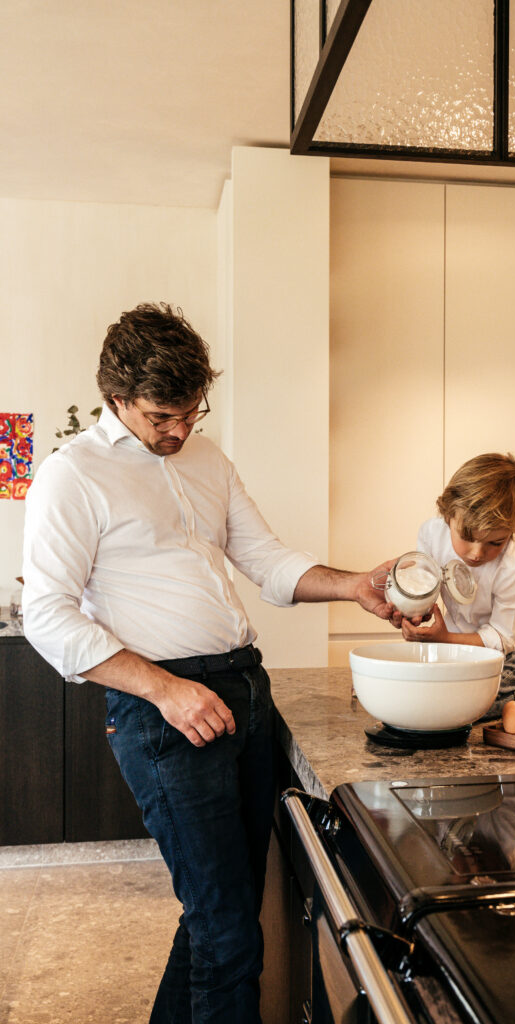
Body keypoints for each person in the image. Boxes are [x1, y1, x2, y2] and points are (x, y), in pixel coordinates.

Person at [21, 302, 397, 1024]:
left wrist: (352, 586)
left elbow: (265, 559)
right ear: (117, 399)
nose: (180, 430)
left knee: (218, 912)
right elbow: (48, 614)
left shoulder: (206, 458)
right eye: (164, 416)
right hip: (165, 713)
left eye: (192, 412)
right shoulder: (73, 476)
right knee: (228, 931)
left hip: (242, 691)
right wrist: (167, 690)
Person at [400, 452, 515, 718]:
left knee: (472, 704)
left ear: (512, 532)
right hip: (457, 639)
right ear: (448, 516)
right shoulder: (433, 535)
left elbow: (502, 638)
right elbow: (425, 584)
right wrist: (412, 612)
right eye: (467, 536)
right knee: (424, 691)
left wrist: (445, 639)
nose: (477, 553)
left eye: (495, 543)